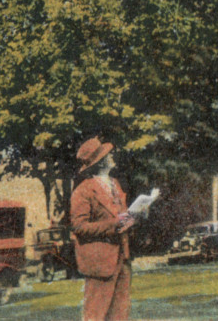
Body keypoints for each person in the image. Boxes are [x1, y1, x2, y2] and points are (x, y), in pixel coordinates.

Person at [71, 137, 134, 321]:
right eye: (108, 154)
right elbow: (79, 227)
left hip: (122, 258)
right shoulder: (83, 191)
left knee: (120, 315)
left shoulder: (115, 184)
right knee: (95, 315)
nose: (111, 156)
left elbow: (121, 217)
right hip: (99, 263)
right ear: (100, 162)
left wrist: (135, 217)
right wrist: (114, 225)